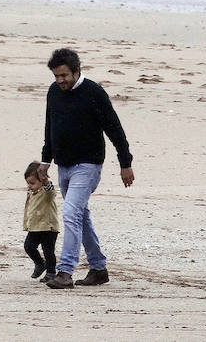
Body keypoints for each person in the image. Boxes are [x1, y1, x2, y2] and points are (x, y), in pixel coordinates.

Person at [37, 47, 135, 289]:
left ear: (76, 71)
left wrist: (126, 163)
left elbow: (115, 129)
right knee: (81, 216)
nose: (60, 81)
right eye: (56, 76)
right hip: (63, 165)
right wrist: (45, 160)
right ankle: (99, 268)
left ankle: (65, 271)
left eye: (64, 76)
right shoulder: (53, 92)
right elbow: (50, 126)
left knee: (71, 214)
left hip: (88, 165)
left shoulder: (94, 93)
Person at [23, 160, 61, 282]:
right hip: (35, 226)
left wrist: (45, 182)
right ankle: (40, 263)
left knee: (48, 250)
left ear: (41, 181)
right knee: (29, 246)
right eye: (28, 183)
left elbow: (50, 191)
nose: (30, 186)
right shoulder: (31, 192)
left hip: (48, 227)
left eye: (32, 183)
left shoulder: (46, 192)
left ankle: (51, 272)